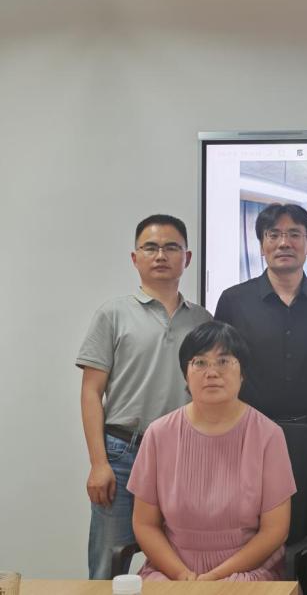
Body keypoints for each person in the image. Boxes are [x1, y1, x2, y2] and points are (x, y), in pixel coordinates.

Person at [77, 214, 212, 579]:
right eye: (150, 247)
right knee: (108, 563)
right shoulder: (113, 314)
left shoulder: (203, 320)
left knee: (183, 562)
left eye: (171, 247)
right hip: (123, 453)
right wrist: (98, 463)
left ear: (187, 258)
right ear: (135, 257)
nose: (161, 255)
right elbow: (91, 392)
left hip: (184, 453)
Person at [214, 203, 307, 536]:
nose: (283, 243)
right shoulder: (234, 300)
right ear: (262, 245)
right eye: (273, 235)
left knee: (306, 527)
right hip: (248, 433)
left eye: (294, 235)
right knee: (247, 526)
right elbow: (221, 371)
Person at [128, 321, 295, 581]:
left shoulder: (268, 435)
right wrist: (182, 575)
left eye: (224, 361)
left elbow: (275, 530)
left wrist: (215, 577)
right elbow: (145, 524)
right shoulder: (158, 434)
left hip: (246, 571)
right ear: (186, 374)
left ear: (242, 372)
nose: (212, 372)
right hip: (172, 571)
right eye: (200, 363)